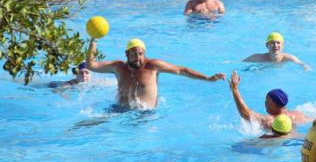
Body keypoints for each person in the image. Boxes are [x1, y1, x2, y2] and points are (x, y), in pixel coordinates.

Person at [87, 38, 225, 109]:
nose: (138, 58)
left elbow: (181, 70)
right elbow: (91, 65)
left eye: (141, 54)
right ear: (126, 54)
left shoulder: (153, 66)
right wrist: (94, 41)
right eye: (134, 54)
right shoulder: (118, 67)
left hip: (146, 115)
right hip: (119, 110)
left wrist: (208, 78)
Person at [228, 71, 311, 131]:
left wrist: (235, 89)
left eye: (267, 102)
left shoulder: (269, 121)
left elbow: (246, 114)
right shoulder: (297, 114)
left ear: (274, 106)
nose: (265, 103)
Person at [243, 32, 310, 69]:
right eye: (272, 43)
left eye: (278, 43)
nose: (275, 45)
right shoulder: (258, 57)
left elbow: (303, 64)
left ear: (282, 45)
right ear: (267, 45)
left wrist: (305, 68)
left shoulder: (289, 58)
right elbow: (239, 64)